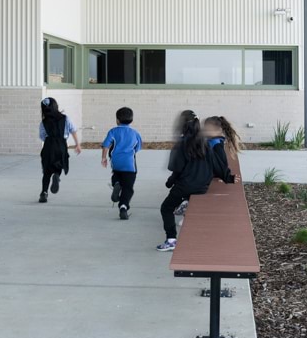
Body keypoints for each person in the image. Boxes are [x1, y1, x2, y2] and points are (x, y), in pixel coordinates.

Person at [156, 112, 235, 252]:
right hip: (202, 186)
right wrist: (229, 178)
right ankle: (186, 202)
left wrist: (169, 182)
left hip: (185, 186)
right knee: (187, 193)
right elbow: (217, 164)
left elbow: (176, 169)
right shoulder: (206, 144)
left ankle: (171, 240)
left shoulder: (181, 146)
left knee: (166, 208)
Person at [101, 106, 143, 220]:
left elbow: (105, 145)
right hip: (129, 163)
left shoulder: (113, 131)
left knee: (116, 175)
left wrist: (103, 158)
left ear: (117, 120)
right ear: (131, 120)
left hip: (116, 162)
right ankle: (123, 207)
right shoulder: (135, 133)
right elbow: (138, 148)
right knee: (128, 187)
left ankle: (116, 184)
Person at [39, 96, 81, 203]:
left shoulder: (43, 122)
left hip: (49, 145)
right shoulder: (65, 118)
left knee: (47, 171)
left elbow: (42, 136)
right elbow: (73, 130)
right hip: (61, 144)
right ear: (55, 106)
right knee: (60, 164)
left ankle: (44, 192)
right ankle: (57, 175)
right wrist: (77, 144)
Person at [202, 115, 243, 180]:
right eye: (205, 129)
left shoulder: (216, 143)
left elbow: (223, 162)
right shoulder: (210, 140)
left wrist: (227, 177)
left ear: (218, 130)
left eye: (208, 129)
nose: (205, 131)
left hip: (209, 174)